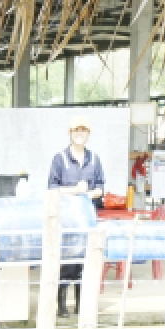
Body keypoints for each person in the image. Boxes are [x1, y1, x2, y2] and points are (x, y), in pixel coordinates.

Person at [47, 116, 106, 317]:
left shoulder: (94, 159)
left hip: (87, 219)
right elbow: (52, 189)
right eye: (76, 130)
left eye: (83, 130)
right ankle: (61, 307)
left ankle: (82, 306)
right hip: (67, 221)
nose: (79, 134)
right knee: (66, 262)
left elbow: (100, 188)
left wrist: (89, 194)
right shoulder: (59, 158)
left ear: (88, 134)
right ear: (70, 133)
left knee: (85, 263)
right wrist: (75, 190)